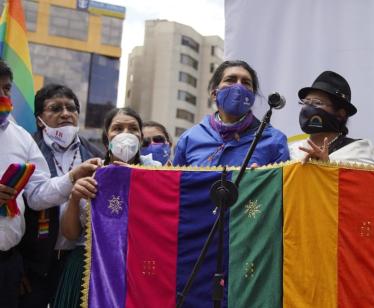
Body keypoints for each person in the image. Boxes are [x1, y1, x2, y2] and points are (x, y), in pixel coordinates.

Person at [0, 61, 98, 308]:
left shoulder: (19, 138)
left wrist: (72, 177)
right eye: (56, 108)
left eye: (7, 89)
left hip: (21, 263)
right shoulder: (34, 140)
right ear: (40, 119)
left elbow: (36, 194)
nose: (66, 114)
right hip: (34, 263)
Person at [53, 107, 160, 308]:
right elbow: (70, 234)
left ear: (141, 137)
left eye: (133, 129)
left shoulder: (157, 173)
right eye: (117, 129)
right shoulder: (90, 173)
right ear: (106, 138)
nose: (125, 134)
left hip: (137, 270)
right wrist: (76, 197)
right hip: (88, 270)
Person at [173, 60, 289, 167]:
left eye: (246, 82)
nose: (238, 86)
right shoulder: (189, 139)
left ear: (252, 96)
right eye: (230, 80)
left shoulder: (274, 141)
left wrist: (262, 182)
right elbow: (178, 186)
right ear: (214, 94)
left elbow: (283, 188)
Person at [289, 71, 374, 164]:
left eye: (317, 103)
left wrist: (327, 166)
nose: (309, 108)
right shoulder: (292, 152)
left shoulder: (357, 151)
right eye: (306, 102)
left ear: (340, 114)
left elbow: (365, 177)